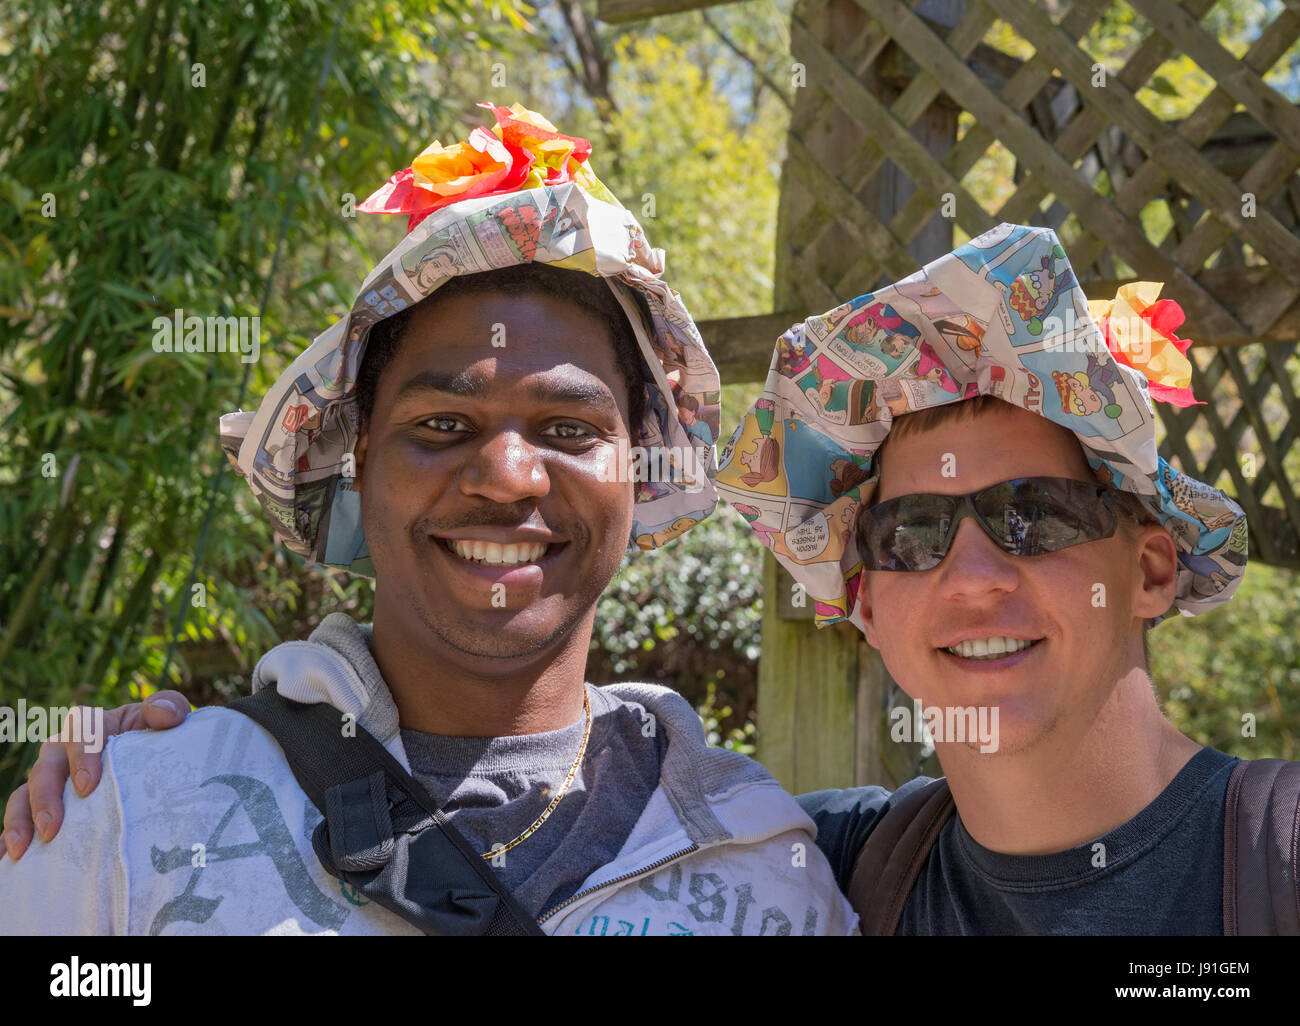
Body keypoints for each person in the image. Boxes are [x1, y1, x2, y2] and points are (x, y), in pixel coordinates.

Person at [0, 104, 856, 937]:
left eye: (568, 430)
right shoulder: (129, 820)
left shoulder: (765, 874)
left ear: (639, 460)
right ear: (358, 455)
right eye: (443, 427)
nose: (507, 479)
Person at [714, 224, 1294, 934]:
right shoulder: (807, 870)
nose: (972, 579)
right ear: (865, 604)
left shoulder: (1283, 856)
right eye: (911, 533)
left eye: (1033, 516)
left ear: (1150, 571)